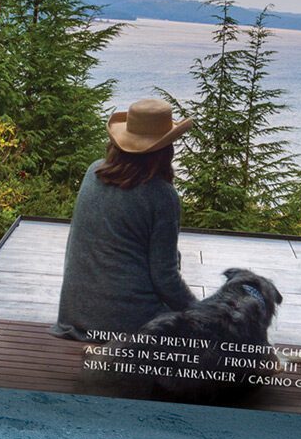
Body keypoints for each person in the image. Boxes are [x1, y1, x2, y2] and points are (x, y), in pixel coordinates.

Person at [52, 98, 198, 341]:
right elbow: (166, 279)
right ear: (165, 150)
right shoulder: (161, 195)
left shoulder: (94, 171)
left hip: (74, 316)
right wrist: (200, 312)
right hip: (128, 324)